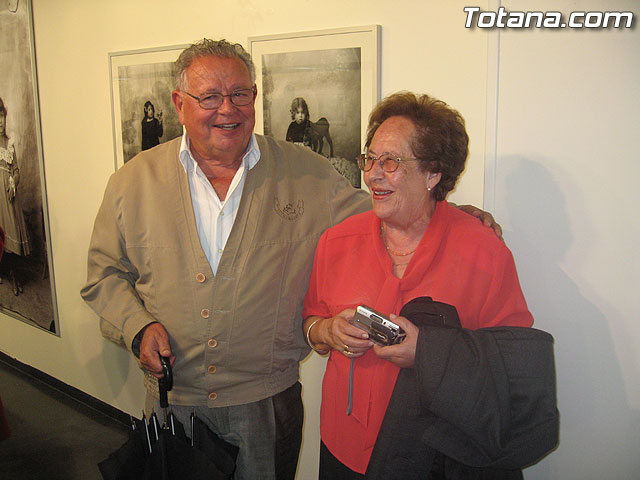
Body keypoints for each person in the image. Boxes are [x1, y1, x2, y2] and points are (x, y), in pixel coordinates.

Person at [81, 40, 502, 480]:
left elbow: (382, 212)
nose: (228, 109)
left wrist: (447, 214)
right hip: (173, 404)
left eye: (240, 94)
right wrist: (137, 327)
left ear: (255, 98)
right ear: (179, 104)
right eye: (209, 97)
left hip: (266, 407)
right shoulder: (131, 183)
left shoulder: (307, 172)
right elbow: (103, 276)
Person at [303, 92, 558, 478]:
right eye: (369, 159)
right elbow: (310, 323)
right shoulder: (336, 241)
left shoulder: (484, 252)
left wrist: (428, 353)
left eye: (390, 162)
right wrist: (326, 330)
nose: (371, 174)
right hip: (345, 450)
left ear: (433, 173)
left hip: (438, 457)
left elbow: (513, 369)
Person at [0, 97, 31, 296]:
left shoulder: (10, 142)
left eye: (1, 115)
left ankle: (15, 276)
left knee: (11, 235)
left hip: (8, 196)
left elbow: (16, 170)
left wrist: (13, 182)